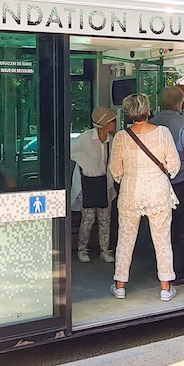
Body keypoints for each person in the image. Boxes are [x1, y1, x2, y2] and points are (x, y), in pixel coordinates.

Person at [108, 93, 182, 302]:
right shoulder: (163, 133)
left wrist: (128, 176)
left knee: (125, 238)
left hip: (131, 192)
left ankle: (120, 285)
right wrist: (160, 172)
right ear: (148, 111)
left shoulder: (121, 137)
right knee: (162, 239)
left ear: (128, 114)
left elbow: (116, 170)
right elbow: (174, 165)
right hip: (158, 191)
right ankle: (166, 287)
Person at [150, 86, 184, 286]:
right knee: (181, 228)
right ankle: (176, 271)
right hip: (179, 181)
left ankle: (161, 267)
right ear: (180, 104)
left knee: (163, 227)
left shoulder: (152, 123)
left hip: (156, 183)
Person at [71, 106, 118, 264]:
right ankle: (82, 249)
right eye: (112, 121)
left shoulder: (111, 140)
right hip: (87, 183)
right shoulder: (85, 138)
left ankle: (105, 250)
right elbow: (71, 152)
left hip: (104, 183)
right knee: (88, 218)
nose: (115, 123)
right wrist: (85, 165)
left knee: (106, 219)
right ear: (105, 123)